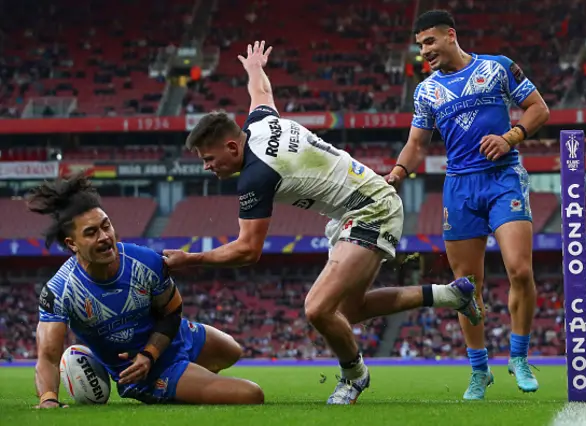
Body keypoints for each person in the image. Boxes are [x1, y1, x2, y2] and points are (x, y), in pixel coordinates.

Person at [162, 40, 482, 405]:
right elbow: (261, 92)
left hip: (370, 208)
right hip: (356, 208)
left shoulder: (256, 175)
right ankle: (450, 295)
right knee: (348, 311)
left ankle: (354, 376)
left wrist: (192, 260)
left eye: (209, 158)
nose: (207, 166)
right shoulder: (261, 123)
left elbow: (248, 250)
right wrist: (253, 68)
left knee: (317, 308)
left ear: (232, 148)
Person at [385, 11, 550, 400]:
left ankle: (519, 357)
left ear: (450, 36)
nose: (424, 51)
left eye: (428, 42)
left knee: (520, 270)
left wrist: (511, 136)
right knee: (465, 288)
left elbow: (539, 109)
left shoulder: (498, 68)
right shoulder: (425, 91)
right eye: (420, 45)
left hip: (503, 176)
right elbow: (417, 144)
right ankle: (479, 371)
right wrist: (396, 172)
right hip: (459, 187)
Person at [30, 173, 264, 408]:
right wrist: (48, 398)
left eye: (106, 226)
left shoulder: (144, 261)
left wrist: (149, 352)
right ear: (72, 243)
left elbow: (172, 312)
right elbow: (48, 356)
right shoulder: (60, 291)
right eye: (91, 233)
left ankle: (189, 383)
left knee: (232, 351)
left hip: (169, 340)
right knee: (251, 395)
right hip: (142, 371)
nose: (104, 237)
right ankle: (167, 385)